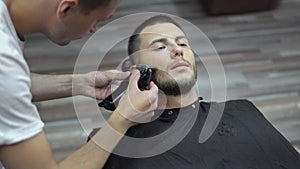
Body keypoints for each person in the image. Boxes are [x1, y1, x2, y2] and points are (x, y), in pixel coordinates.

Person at [89, 15, 300, 169]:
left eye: (182, 43)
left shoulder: (244, 110)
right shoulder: (109, 143)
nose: (178, 49)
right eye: (160, 47)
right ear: (137, 69)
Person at [0, 0, 159, 169]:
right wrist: (122, 120)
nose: (93, 29)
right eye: (96, 20)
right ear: (67, 8)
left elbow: (14, 85)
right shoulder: (4, 64)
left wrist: (79, 84)